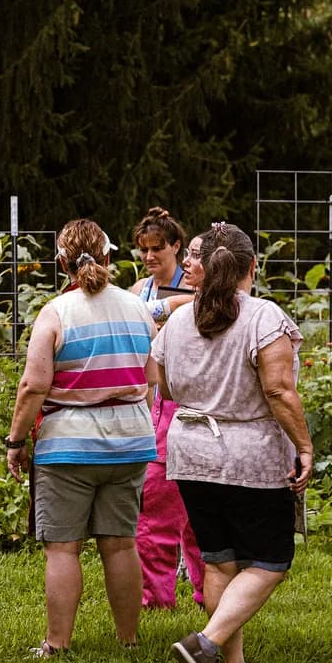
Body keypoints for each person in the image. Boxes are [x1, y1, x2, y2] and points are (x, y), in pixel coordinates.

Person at [152, 222, 312, 663]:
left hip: (190, 451)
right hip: (250, 455)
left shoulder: (180, 318)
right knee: (270, 562)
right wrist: (303, 446)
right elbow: (279, 390)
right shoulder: (263, 317)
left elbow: (160, 379)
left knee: (220, 559)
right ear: (252, 267)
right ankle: (205, 643)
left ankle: (231, 662)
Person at [6, 218, 155, 656]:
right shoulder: (137, 308)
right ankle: (128, 639)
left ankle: (57, 643)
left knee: (63, 549)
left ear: (61, 263)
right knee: (121, 543)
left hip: (68, 444)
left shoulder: (55, 313)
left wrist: (16, 441)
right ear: (109, 257)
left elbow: (33, 385)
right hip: (130, 440)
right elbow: (150, 379)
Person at [128, 208, 204, 611]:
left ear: (177, 247)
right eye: (144, 249)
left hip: (186, 401)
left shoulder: (191, 291)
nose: (150, 256)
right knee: (154, 504)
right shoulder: (140, 288)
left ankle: (207, 591)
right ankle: (155, 598)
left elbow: (182, 308)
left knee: (196, 510)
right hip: (151, 403)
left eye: (158, 248)